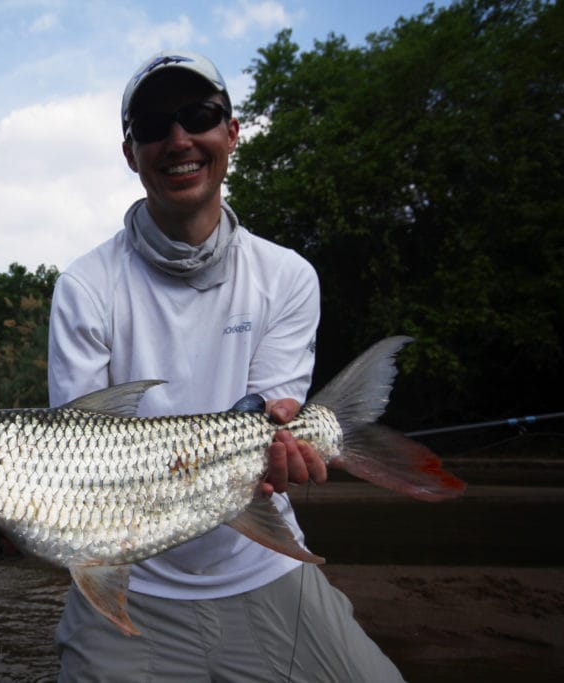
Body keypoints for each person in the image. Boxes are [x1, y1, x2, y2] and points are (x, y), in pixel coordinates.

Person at [47, 51, 405, 682]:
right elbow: (78, 451)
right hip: (128, 577)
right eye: (154, 125)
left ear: (231, 132)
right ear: (131, 153)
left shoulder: (288, 276)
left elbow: (271, 415)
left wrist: (287, 441)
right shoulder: (84, 284)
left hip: (262, 561)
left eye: (198, 116)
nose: (178, 139)